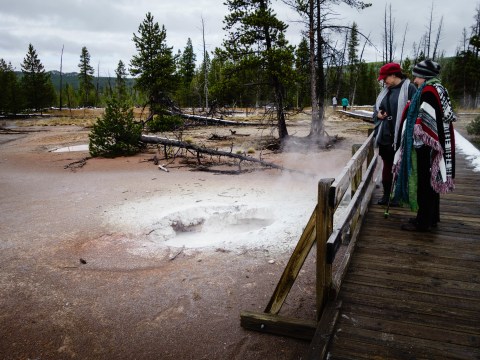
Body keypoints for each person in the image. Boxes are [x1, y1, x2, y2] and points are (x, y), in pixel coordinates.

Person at [394, 59, 456, 232]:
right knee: (432, 181)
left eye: (417, 77)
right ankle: (432, 217)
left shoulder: (428, 91)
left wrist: (415, 137)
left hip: (428, 145)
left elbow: (425, 123)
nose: (415, 80)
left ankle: (422, 222)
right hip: (439, 142)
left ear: (425, 76)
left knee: (424, 182)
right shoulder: (439, 88)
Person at [373, 62, 416, 205]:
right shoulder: (385, 91)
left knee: (400, 165)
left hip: (402, 135)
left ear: (394, 75)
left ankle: (397, 194)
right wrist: (378, 114)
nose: (383, 81)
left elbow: (416, 110)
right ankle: (386, 195)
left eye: (385, 78)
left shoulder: (409, 88)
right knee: (387, 164)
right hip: (385, 134)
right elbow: (377, 108)